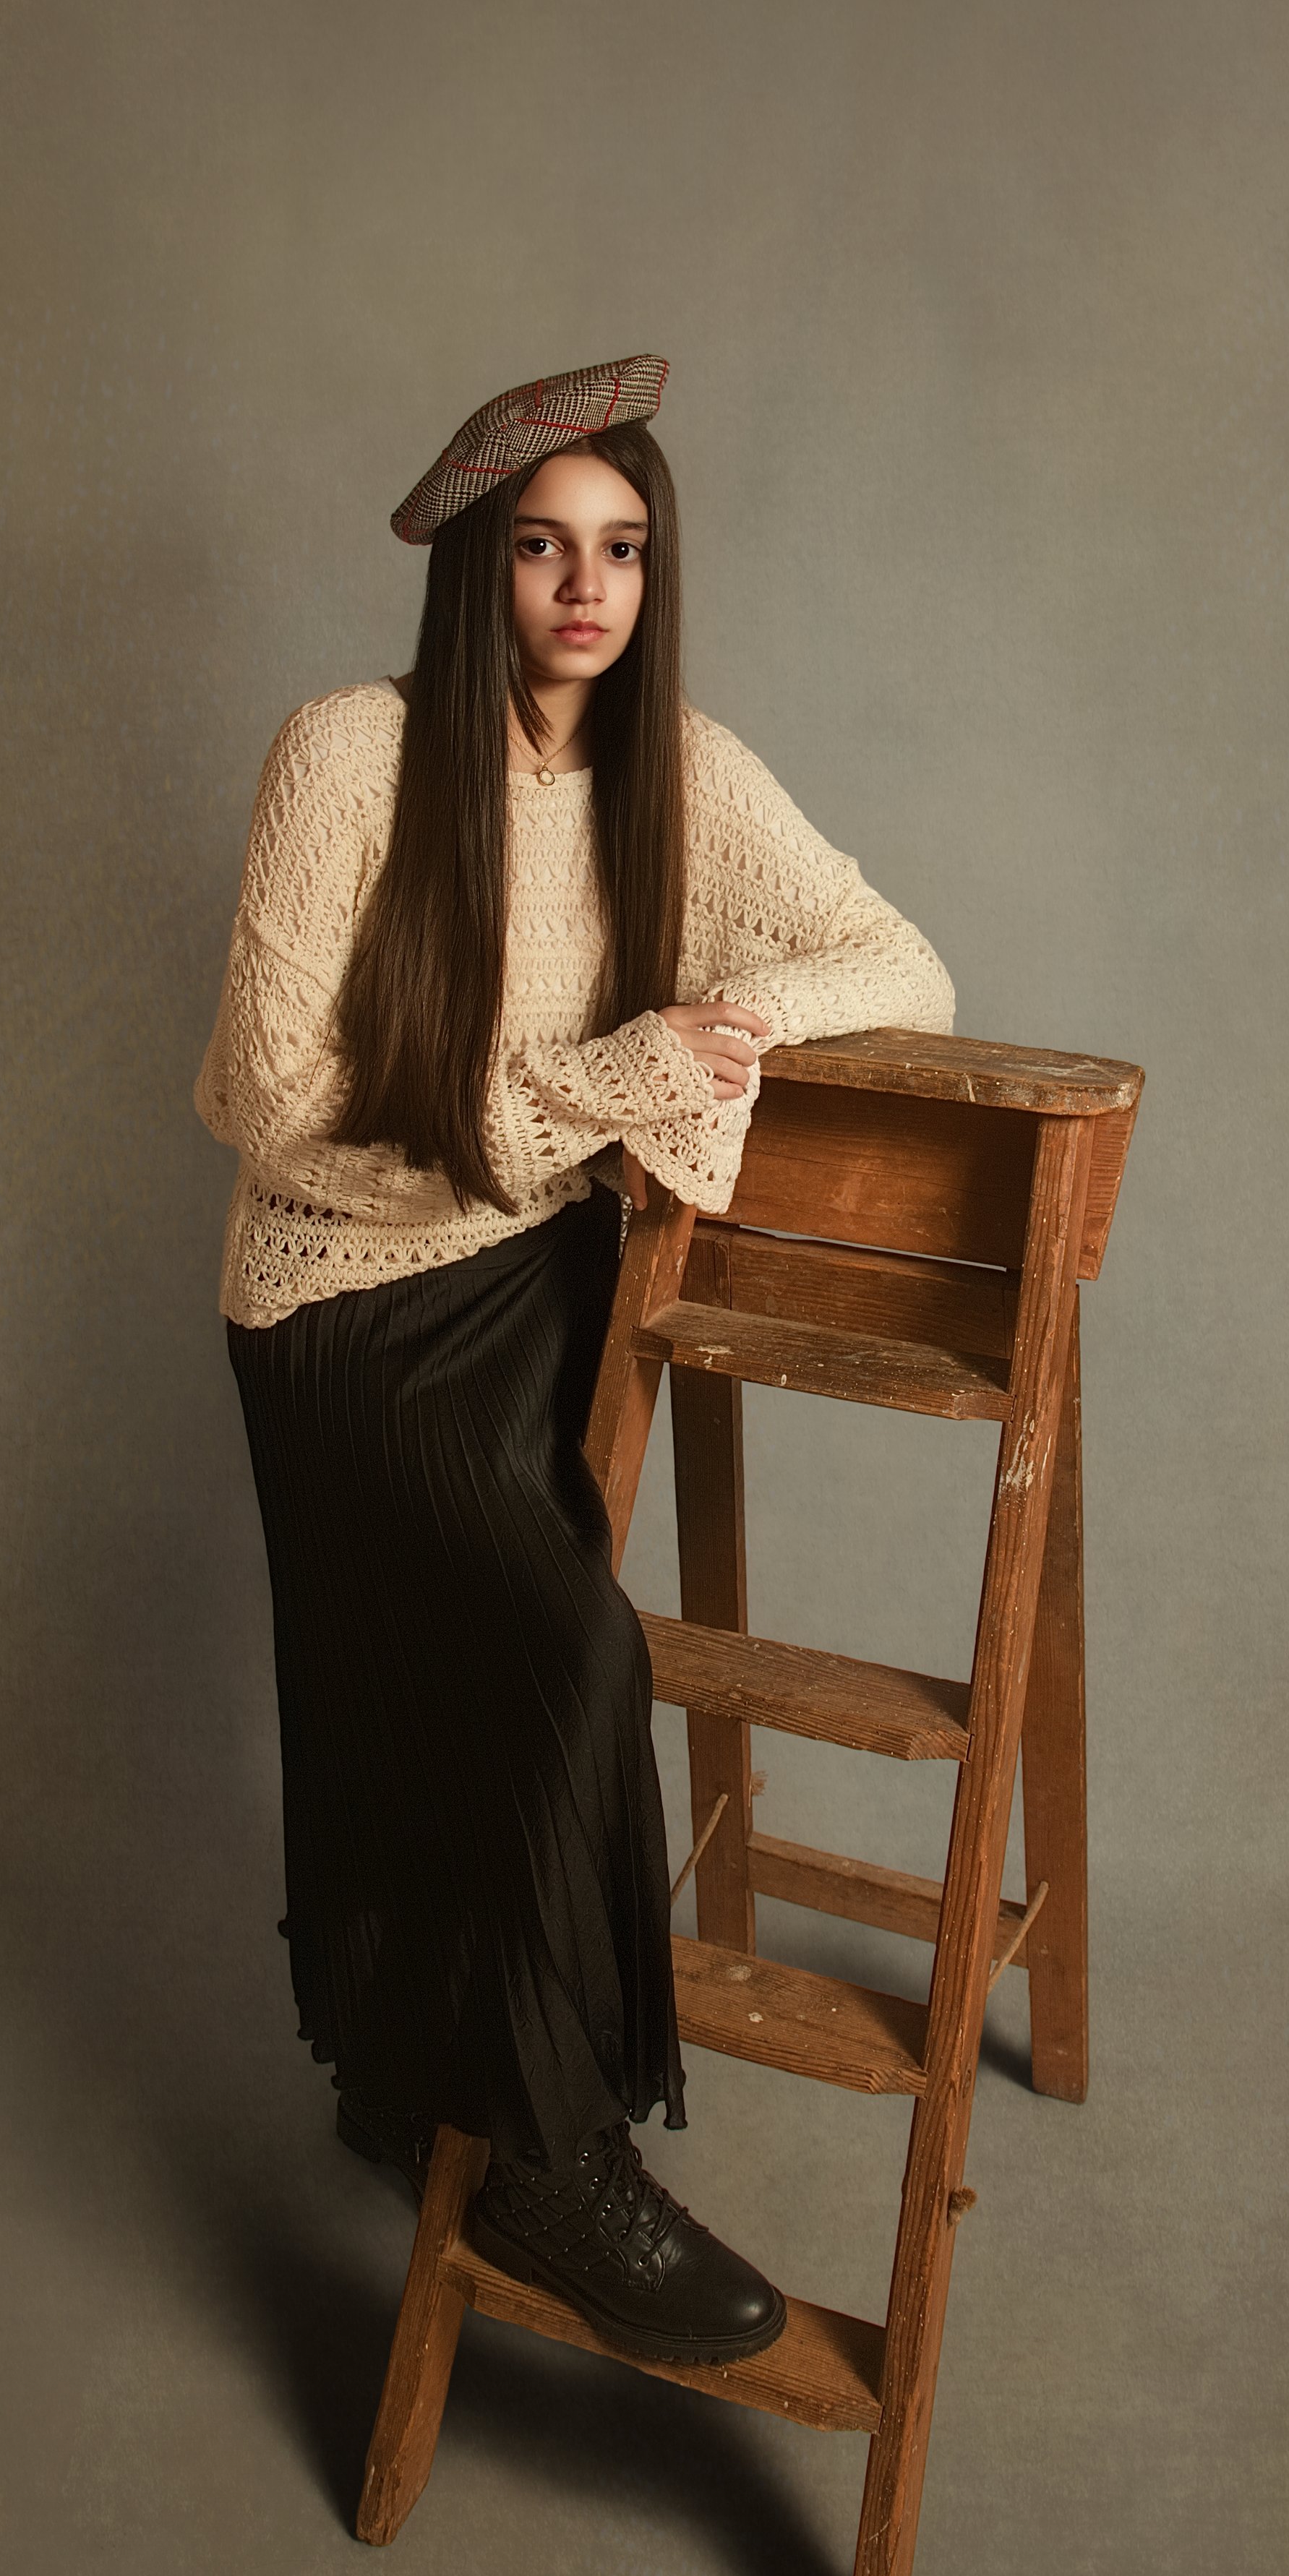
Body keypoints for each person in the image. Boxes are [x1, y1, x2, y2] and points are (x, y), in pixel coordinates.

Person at [194, 355, 954, 2371]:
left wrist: (725, 1021)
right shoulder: (351, 752)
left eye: (620, 550)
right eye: (542, 548)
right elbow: (275, 1100)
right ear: (479, 570)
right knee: (551, 1658)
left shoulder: (674, 773)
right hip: (344, 1296)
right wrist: (600, 1083)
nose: (585, 589)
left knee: (443, 1691)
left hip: (538, 1286)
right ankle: (550, 2158)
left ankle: (404, 2082)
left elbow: (899, 959)